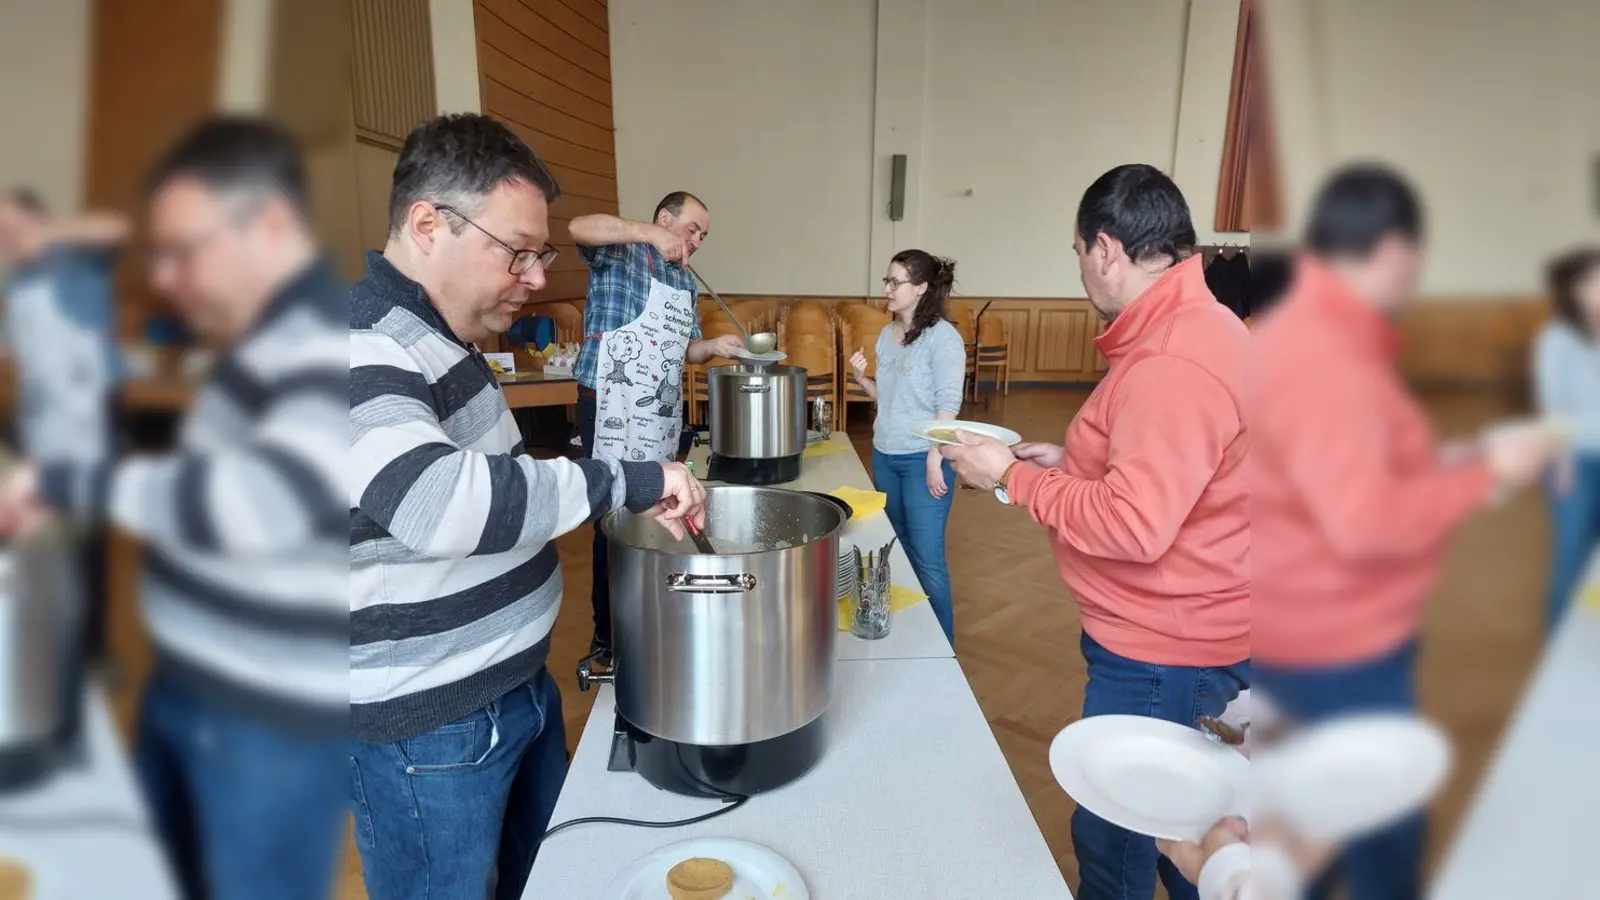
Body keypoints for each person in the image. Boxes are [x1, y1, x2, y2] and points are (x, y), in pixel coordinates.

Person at [348, 113, 707, 900]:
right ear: (427, 224)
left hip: (512, 689)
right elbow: (441, 503)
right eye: (518, 252)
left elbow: (505, 487)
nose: (539, 277)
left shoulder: (446, 340)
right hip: (431, 728)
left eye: (539, 254)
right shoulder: (359, 343)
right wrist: (632, 480)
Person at [0, 117, 351, 899]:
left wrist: (64, 481)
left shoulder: (325, 337)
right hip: (193, 686)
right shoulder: (265, 334)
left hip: (267, 725)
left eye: (184, 251)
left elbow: (251, 508)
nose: (164, 278)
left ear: (270, 222)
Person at [1248, 164, 1560, 900]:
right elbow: (1361, 522)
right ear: (1393, 251)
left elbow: (1336, 470)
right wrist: (1489, 475)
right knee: (1375, 840)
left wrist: (1451, 461)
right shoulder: (1327, 355)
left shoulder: (1306, 335)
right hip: (1335, 646)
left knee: (1319, 828)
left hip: (1304, 628)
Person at [941, 164, 1250, 900]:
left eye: (1077, 253)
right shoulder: (1199, 327)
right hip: (1184, 640)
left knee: (1126, 850)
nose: (1079, 269)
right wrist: (1073, 462)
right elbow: (1169, 476)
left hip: (1166, 657)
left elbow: (1137, 524)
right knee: (1195, 846)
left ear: (1105, 248)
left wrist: (1010, 479)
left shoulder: (1173, 359)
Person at [568, 190, 742, 663]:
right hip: (610, 404)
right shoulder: (619, 252)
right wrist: (649, 234)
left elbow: (687, 350)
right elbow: (577, 226)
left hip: (659, 410)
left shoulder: (686, 283)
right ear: (665, 219)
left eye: (704, 235)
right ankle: (607, 634)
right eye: (691, 229)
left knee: (660, 507)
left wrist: (715, 345)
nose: (698, 240)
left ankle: (649, 617)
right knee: (613, 514)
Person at [0, 188, 128, 670]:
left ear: (39, 221)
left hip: (90, 422)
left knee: (87, 543)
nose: (7, 240)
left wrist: (44, 233)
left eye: (12, 227)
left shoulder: (80, 262)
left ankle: (94, 652)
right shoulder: (18, 282)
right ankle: (34, 637)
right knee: (33, 531)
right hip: (38, 424)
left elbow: (117, 225)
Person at [846, 249, 966, 643]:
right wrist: (861, 379)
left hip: (922, 460)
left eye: (895, 282)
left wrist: (935, 457)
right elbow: (892, 398)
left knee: (928, 560)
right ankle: (911, 639)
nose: (886, 288)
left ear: (921, 288)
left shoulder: (943, 339)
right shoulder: (886, 335)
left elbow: (947, 405)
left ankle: (943, 646)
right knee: (894, 552)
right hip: (886, 455)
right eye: (886, 280)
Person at [1533, 246, 1600, 631]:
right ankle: (1558, 635)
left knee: (1597, 559)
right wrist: (1560, 464)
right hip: (1575, 462)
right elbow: (1553, 408)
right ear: (1573, 290)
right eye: (1593, 282)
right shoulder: (1556, 339)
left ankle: (1588, 629)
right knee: (1573, 553)